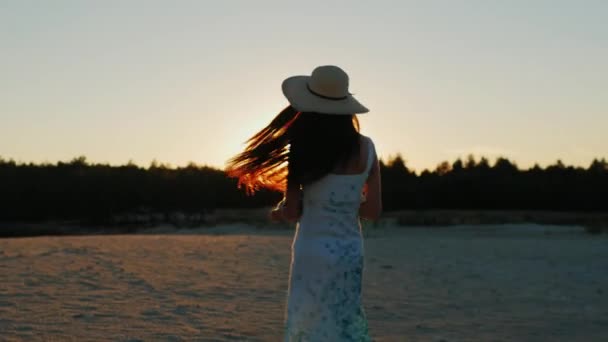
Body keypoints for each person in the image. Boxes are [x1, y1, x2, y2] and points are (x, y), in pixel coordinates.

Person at [226, 65, 382, 341]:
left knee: (309, 319)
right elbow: (373, 210)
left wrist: (277, 213)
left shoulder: (304, 147)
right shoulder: (367, 148)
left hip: (312, 251)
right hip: (349, 252)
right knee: (344, 317)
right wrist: (344, 204)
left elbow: (291, 212)